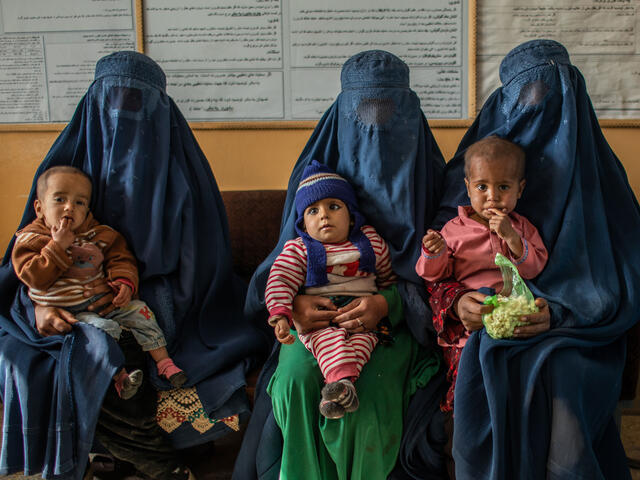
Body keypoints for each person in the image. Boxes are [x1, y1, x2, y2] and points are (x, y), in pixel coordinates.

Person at [0, 51, 270, 480]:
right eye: (112, 103)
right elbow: (20, 268)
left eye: (136, 105)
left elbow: (205, 269)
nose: (122, 119)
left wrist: (133, 286)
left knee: (135, 351)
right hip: (69, 299)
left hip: (175, 298)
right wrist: (38, 309)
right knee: (59, 353)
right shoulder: (64, 179)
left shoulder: (185, 175)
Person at [427, 39, 640, 479]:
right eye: (525, 97)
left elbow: (624, 280)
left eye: (552, 95)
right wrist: (457, 303)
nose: (538, 109)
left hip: (579, 336)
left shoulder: (599, 179)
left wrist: (560, 313)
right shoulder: (473, 174)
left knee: (563, 387)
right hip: (490, 324)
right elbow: (438, 265)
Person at [234, 50, 447, 480]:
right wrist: (293, 308)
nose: (375, 126)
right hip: (312, 325)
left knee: (367, 403)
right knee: (295, 384)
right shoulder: (315, 183)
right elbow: (283, 264)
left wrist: (390, 304)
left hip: (394, 328)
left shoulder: (434, 180)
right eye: (363, 113)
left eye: (389, 112)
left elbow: (446, 271)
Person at [12, 165, 188, 400]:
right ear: (39, 208)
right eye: (60, 199)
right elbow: (35, 278)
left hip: (105, 301)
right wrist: (58, 246)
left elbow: (120, 258)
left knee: (141, 312)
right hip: (72, 313)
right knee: (105, 332)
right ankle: (120, 378)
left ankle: (164, 363)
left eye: (80, 202)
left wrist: (124, 283)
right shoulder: (31, 240)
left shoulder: (101, 234)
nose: (69, 207)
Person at [416, 136, 547, 410]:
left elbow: (534, 268)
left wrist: (512, 238)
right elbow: (432, 275)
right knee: (469, 385)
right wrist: (433, 252)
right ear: (467, 187)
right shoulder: (454, 229)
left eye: (503, 187)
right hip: (470, 329)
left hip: (512, 323)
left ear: (520, 189)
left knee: (520, 381)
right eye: (482, 187)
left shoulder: (522, 228)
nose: (492, 196)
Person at [266, 160, 397, 419]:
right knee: (330, 343)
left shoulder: (371, 243)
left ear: (352, 218)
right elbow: (280, 280)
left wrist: (384, 301)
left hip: (362, 317)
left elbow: (388, 276)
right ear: (302, 224)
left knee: (364, 344)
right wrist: (281, 314)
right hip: (321, 320)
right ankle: (338, 387)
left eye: (334, 207)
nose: (324, 215)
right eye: (312, 211)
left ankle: (342, 388)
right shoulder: (299, 250)